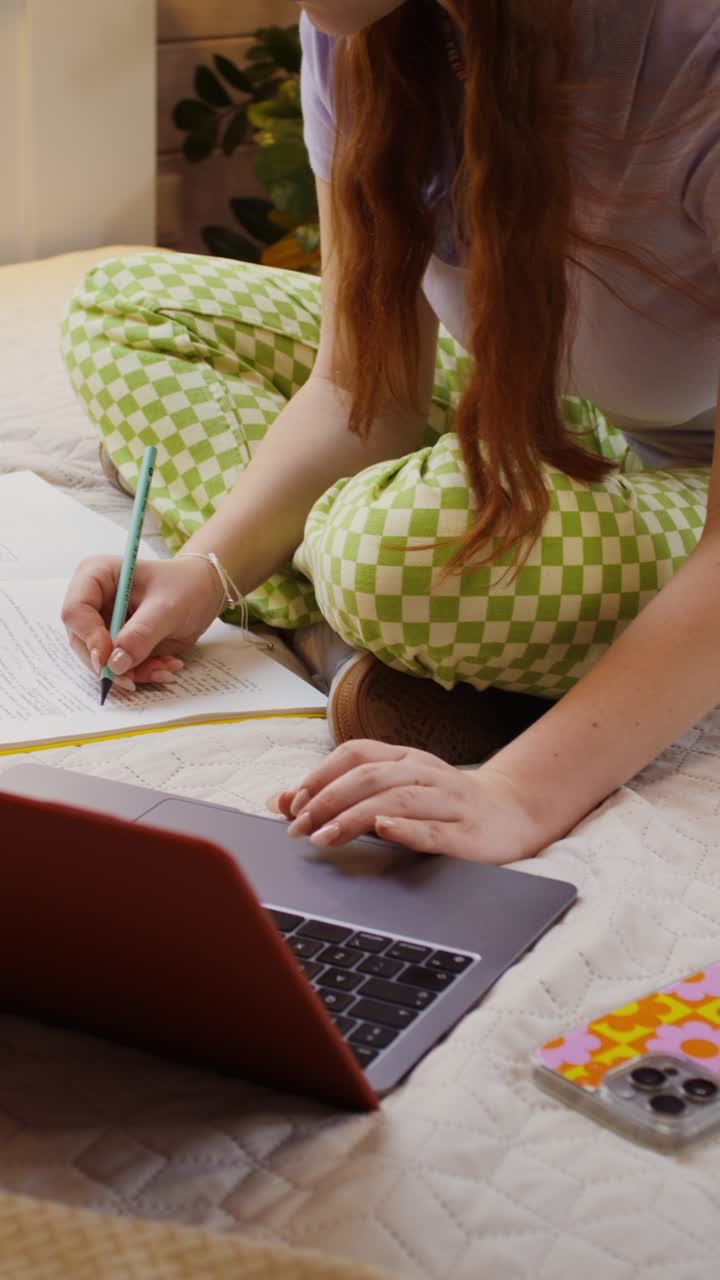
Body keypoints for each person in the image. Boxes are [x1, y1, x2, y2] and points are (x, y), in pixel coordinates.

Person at [61, 1, 720, 864]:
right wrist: (207, 569)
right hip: (552, 396)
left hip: (692, 464)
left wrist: (519, 791)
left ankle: (393, 632)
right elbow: (360, 392)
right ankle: (341, 630)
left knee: (395, 550)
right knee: (125, 310)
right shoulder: (356, 25)